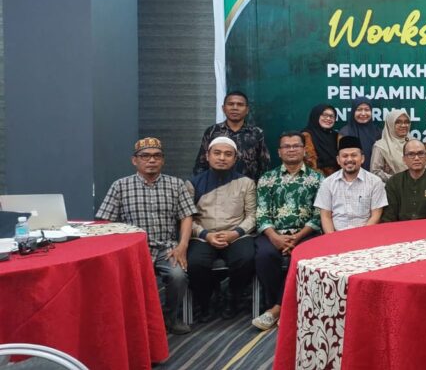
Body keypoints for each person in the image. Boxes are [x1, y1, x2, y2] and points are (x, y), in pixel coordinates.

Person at [95, 137, 198, 335]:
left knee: (178, 276)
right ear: (135, 160)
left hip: (167, 248)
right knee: (125, 282)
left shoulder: (176, 184)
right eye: (145, 156)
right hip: (134, 250)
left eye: (157, 156)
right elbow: (105, 222)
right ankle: (135, 322)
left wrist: (182, 246)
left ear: (163, 160)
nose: (151, 160)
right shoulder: (120, 186)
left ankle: (170, 318)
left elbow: (186, 216)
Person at [251, 132, 323, 331]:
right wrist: (275, 237)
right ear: (279, 152)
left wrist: (297, 237)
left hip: (306, 234)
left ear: (304, 150)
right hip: (273, 234)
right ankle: (282, 306)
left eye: (296, 146)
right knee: (264, 256)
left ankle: (276, 310)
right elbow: (262, 213)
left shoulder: (317, 178)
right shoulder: (267, 179)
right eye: (286, 146)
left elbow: (319, 214)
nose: (291, 150)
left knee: (302, 258)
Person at [186, 136, 257, 322]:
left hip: (236, 234)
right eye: (217, 153)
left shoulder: (246, 183)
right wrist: (205, 235)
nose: (222, 158)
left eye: (228, 154)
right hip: (203, 235)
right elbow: (187, 219)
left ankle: (233, 297)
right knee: (195, 263)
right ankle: (205, 302)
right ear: (207, 156)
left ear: (235, 158)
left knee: (246, 258)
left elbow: (252, 216)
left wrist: (235, 233)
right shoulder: (193, 184)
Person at [193, 91, 270, 181]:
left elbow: (264, 165)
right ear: (223, 108)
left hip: (247, 186)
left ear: (247, 110)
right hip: (216, 185)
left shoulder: (256, 133)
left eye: (240, 105)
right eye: (231, 104)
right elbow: (201, 163)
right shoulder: (212, 131)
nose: (235, 108)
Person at [315, 136, 387, 232]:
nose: (349, 159)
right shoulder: (328, 183)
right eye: (345, 156)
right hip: (336, 235)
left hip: (366, 234)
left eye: (354, 155)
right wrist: (332, 238)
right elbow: (325, 216)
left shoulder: (375, 182)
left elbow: (376, 215)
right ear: (338, 160)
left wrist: (361, 237)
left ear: (362, 158)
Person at [381, 139, 426, 222]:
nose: (416, 158)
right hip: (400, 228)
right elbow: (389, 217)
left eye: (420, 153)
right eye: (411, 154)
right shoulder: (394, 182)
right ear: (404, 159)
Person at [338, 97, 382, 171]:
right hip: (352, 173)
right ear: (353, 112)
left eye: (367, 110)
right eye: (359, 110)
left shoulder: (378, 132)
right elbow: (343, 158)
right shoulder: (345, 132)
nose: (363, 113)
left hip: (375, 174)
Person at [370, 109, 411, 181]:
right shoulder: (381, 146)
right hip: (391, 186)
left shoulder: (414, 143)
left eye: (406, 122)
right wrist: (398, 180)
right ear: (390, 124)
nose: (403, 125)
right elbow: (375, 172)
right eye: (398, 122)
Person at [302, 104, 340, 176]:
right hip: (316, 177)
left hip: (338, 177)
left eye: (331, 116)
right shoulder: (306, 135)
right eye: (324, 115)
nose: (328, 118)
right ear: (316, 116)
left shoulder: (336, 135)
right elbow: (309, 162)